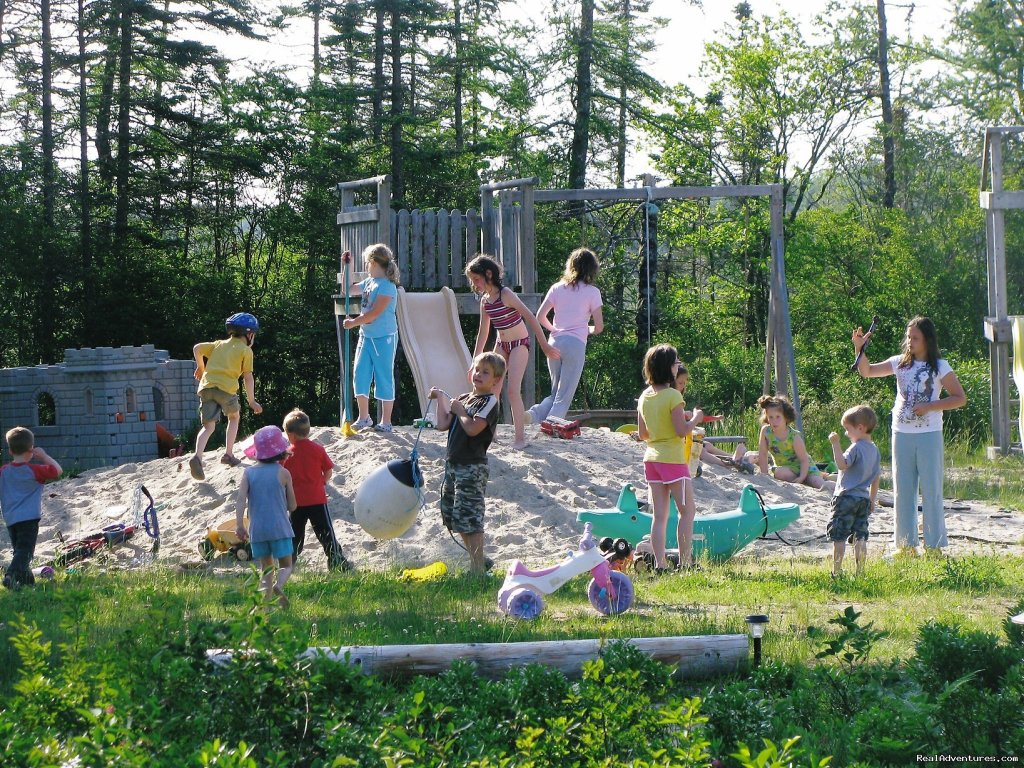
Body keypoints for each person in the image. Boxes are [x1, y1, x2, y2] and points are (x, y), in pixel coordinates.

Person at [853, 315, 966, 556]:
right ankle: (905, 546)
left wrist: (930, 406)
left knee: (931, 488)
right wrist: (858, 347)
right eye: (908, 337)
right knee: (903, 490)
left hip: (929, 434)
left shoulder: (940, 366)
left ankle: (934, 547)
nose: (910, 341)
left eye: (915, 338)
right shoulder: (899, 363)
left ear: (927, 340)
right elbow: (867, 371)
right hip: (901, 433)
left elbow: (960, 398)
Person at [465, 255, 560, 450]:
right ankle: (491, 434)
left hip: (519, 344)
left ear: (488, 274)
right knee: (492, 391)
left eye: (476, 278)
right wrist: (475, 363)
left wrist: (545, 345)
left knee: (512, 390)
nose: (474, 283)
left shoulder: (505, 294)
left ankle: (519, 438)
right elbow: (483, 333)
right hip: (502, 344)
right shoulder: (485, 302)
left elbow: (531, 319)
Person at [429, 351, 507, 574]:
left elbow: (473, 429)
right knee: (455, 516)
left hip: (472, 467)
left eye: (486, 372)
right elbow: (442, 424)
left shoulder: (490, 402)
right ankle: (479, 561)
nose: (479, 375)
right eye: (477, 370)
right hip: (453, 464)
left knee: (470, 517)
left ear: (496, 380)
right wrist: (441, 400)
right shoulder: (463, 398)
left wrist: (461, 411)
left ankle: (477, 570)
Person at [637, 344, 702, 571]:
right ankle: (685, 563)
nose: (678, 366)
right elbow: (682, 431)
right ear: (668, 367)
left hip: (651, 459)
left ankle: (660, 564)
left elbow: (643, 434)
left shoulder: (644, 396)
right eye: (676, 363)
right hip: (673, 460)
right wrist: (695, 418)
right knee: (687, 512)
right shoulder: (674, 395)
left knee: (660, 516)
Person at [526, 247, 603, 424]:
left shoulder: (557, 288)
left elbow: (540, 316)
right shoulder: (593, 292)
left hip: (554, 342)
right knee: (564, 394)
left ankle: (534, 414)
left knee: (555, 392)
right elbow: (598, 327)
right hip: (575, 344)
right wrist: (586, 329)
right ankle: (552, 424)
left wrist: (554, 330)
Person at [189, 312, 263, 481]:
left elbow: (197, 348)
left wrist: (202, 368)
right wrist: (251, 401)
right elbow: (248, 377)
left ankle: (197, 457)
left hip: (206, 387)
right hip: (226, 389)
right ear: (249, 334)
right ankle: (228, 455)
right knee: (234, 417)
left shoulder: (218, 344)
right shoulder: (246, 351)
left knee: (208, 427)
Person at [280, 409, 350, 572]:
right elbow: (328, 470)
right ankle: (336, 560)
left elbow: (282, 475)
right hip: (317, 499)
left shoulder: (287, 454)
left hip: (296, 501)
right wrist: (323, 481)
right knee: (325, 531)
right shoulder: (318, 449)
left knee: (295, 533)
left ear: (291, 435)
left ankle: (289, 562)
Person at [235, 425, 297, 607]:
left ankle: (265, 604)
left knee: (266, 569)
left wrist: (240, 525)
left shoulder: (248, 473)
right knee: (286, 565)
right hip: (280, 528)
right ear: (280, 451)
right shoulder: (284, 473)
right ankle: (280, 585)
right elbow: (292, 505)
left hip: (258, 531)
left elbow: (240, 500)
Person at [342, 243, 401, 433]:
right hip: (366, 337)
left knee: (383, 377)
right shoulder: (369, 282)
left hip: (384, 338)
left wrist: (353, 322)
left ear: (374, 262)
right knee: (360, 374)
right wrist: (347, 267)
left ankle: (386, 421)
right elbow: (348, 289)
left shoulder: (388, 287)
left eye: (367, 262)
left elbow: (374, 313)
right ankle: (364, 417)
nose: (366, 266)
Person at [1, 427, 62, 590]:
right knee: (25, 552)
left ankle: (27, 584)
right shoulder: (34, 470)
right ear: (31, 450)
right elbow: (58, 471)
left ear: (10, 451)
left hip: (10, 519)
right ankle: (11, 575)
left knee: (20, 552)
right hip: (28, 519)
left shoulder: (4, 472)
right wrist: (43, 456)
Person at [826, 405, 881, 578]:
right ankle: (860, 572)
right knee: (860, 536)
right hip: (863, 499)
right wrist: (872, 500)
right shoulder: (875, 450)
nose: (846, 434)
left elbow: (842, 465)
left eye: (847, 429)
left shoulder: (856, 448)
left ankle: (837, 571)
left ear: (860, 428)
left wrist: (835, 445)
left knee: (839, 535)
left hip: (846, 497)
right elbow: (876, 477)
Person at [672, 364, 753, 473]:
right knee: (701, 451)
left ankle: (733, 457)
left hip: (684, 439)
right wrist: (689, 416)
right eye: (680, 383)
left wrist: (714, 418)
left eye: (684, 383)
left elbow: (701, 418)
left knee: (708, 445)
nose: (682, 386)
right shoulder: (673, 399)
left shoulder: (677, 398)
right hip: (678, 442)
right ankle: (729, 463)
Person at [755, 394, 828, 490]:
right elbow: (763, 454)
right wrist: (764, 476)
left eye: (778, 417)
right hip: (788, 470)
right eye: (771, 417)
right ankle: (816, 478)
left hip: (806, 468)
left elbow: (804, 460)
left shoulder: (794, 437)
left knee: (820, 484)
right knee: (779, 473)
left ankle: (831, 482)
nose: (774, 421)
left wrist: (801, 477)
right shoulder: (766, 432)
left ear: (786, 417)